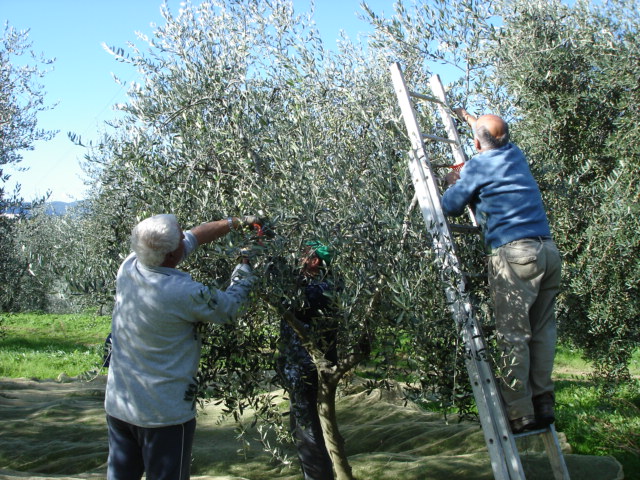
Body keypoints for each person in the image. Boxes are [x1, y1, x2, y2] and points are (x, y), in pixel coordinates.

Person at [104, 213, 261, 480]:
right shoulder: (182, 291)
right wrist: (246, 267)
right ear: (171, 255)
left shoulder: (130, 265)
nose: (184, 236)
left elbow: (195, 236)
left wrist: (237, 222)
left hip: (120, 404)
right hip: (164, 416)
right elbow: (230, 308)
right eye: (179, 236)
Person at [441, 110, 562, 434]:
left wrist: (454, 182)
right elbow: (491, 135)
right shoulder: (515, 154)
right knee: (542, 332)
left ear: (478, 143)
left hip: (515, 254)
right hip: (548, 251)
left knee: (513, 336)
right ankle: (544, 401)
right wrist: (474, 123)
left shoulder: (479, 165)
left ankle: (521, 412)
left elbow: (451, 205)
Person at [277, 240, 338, 480]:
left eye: (304, 254)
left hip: (306, 369)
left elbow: (294, 300)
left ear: (314, 260)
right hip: (301, 367)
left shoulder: (321, 288)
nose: (299, 258)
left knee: (307, 431)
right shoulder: (319, 284)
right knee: (305, 427)